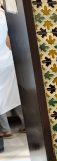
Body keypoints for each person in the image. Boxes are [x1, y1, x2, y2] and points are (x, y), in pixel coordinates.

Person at [0, 5, 24, 139]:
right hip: (8, 59)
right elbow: (8, 39)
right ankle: (26, 123)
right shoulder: (4, 13)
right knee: (16, 92)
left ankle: (5, 129)